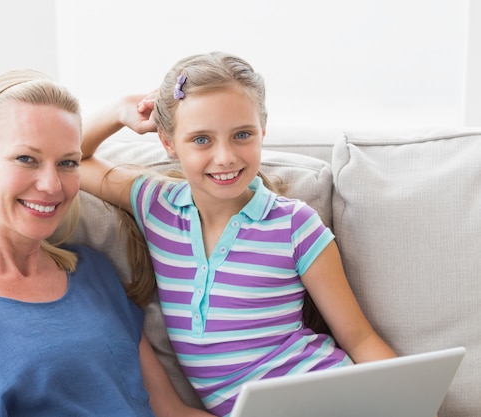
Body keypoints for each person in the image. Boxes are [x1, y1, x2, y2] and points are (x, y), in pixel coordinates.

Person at [79, 52, 398, 417]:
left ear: (263, 129)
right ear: (168, 143)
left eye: (242, 135)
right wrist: (120, 110)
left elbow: (359, 338)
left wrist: (412, 405)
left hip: (331, 396)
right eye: (201, 140)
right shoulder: (157, 205)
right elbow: (71, 158)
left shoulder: (294, 225)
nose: (226, 157)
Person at [0, 69, 213, 417]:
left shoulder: (93, 273)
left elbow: (171, 411)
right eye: (26, 158)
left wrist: (119, 110)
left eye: (67, 163)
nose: (51, 185)